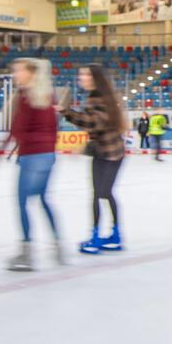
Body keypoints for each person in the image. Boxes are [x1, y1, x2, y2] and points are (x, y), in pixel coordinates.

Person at [0, 58, 61, 271]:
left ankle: (26, 255)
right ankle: (58, 246)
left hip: (31, 156)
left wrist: (0, 151)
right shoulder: (49, 95)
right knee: (43, 199)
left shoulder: (26, 96)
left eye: (18, 71)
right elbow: (55, 128)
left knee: (23, 203)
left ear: (31, 73)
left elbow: (17, 128)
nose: (16, 74)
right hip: (47, 155)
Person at [61, 64, 127, 254]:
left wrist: (66, 112)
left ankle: (97, 236)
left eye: (85, 75)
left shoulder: (98, 98)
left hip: (107, 153)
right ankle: (115, 235)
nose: (81, 78)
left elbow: (93, 123)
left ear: (95, 78)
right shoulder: (101, 97)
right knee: (105, 193)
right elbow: (100, 127)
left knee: (100, 194)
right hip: (110, 151)